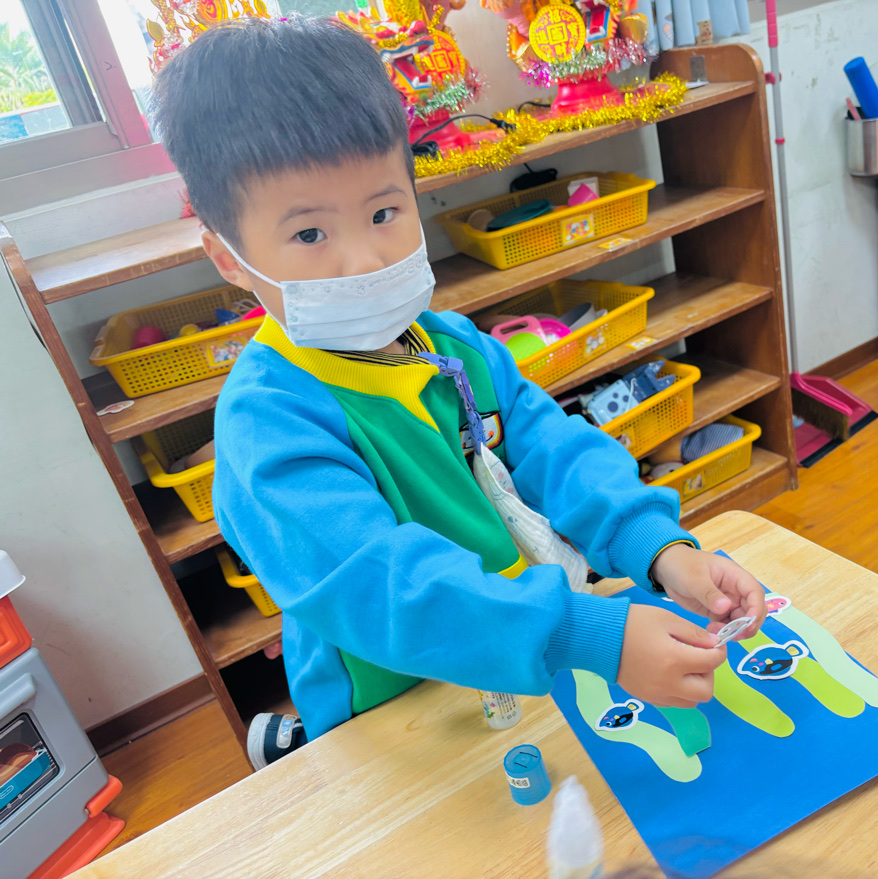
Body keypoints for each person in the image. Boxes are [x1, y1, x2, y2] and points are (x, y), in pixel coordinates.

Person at [152, 15, 766, 770]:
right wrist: (582, 633)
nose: (363, 259)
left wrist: (659, 549)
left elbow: (552, 448)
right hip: (397, 705)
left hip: (520, 654)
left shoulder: (452, 344)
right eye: (309, 235)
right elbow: (385, 590)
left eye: (384, 213)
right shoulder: (269, 425)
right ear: (229, 257)